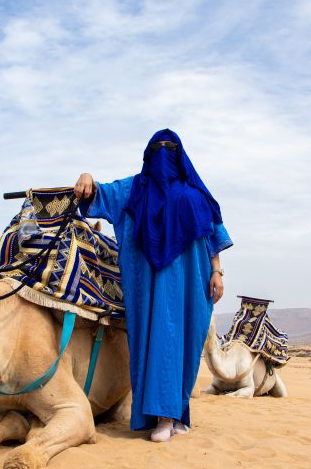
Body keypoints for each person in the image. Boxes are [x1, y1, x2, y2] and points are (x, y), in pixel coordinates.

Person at [74, 129, 232, 442]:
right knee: (154, 339)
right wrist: (87, 178)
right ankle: (161, 416)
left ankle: (173, 414)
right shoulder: (135, 189)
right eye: (157, 149)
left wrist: (217, 271)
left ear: (179, 154)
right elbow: (100, 195)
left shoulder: (195, 195)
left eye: (168, 148)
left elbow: (212, 233)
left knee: (181, 341)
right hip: (147, 284)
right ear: (148, 156)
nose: (163, 154)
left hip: (187, 282)